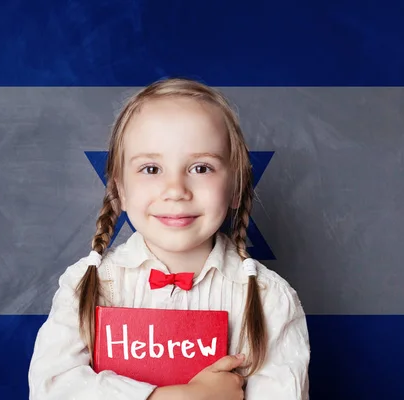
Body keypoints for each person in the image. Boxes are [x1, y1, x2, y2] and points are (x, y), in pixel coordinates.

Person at [28, 77, 310, 399]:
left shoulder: (270, 299)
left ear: (235, 187)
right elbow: (53, 388)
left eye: (201, 168)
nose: (176, 190)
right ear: (120, 188)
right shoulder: (87, 285)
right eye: (151, 169)